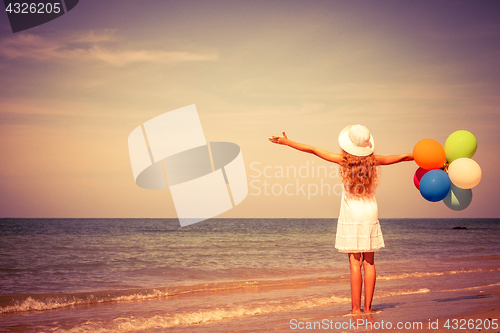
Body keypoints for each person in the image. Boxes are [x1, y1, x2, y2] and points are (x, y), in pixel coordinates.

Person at [269, 125, 413, 314]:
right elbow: (403, 157)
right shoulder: (374, 161)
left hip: (352, 212)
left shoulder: (343, 161)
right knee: (369, 263)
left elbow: (313, 150)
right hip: (370, 211)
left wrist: (287, 142)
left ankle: (355, 310)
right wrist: (429, 159)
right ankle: (368, 308)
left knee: (355, 263)